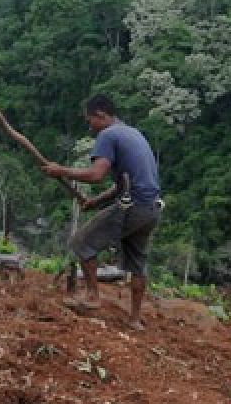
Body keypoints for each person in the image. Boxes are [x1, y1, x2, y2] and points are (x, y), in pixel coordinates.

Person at [42, 93, 162, 331]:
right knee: (137, 263)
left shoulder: (108, 135)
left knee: (81, 242)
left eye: (90, 121)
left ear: (101, 115)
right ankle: (135, 320)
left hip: (133, 206)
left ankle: (92, 296)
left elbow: (96, 175)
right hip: (152, 209)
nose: (90, 127)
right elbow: (122, 184)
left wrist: (60, 171)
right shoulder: (133, 132)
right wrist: (95, 202)